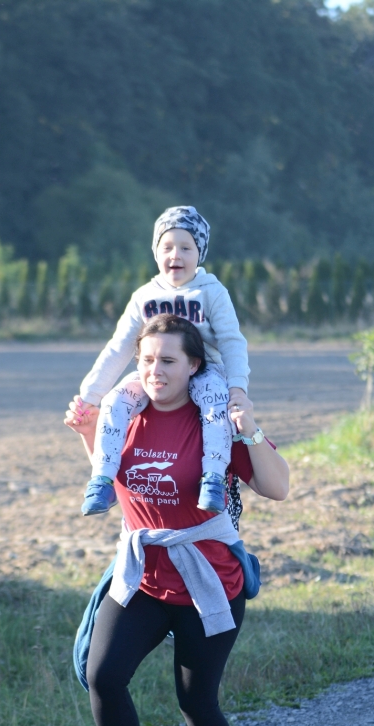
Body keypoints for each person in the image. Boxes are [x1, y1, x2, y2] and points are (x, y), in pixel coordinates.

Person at [64, 313, 288, 726]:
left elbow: (278, 488)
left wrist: (251, 430)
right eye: (146, 360)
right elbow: (117, 478)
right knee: (103, 676)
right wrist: (87, 432)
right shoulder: (124, 412)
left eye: (168, 360)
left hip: (209, 583)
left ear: (193, 366)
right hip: (143, 576)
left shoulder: (215, 422)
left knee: (196, 700)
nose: (154, 370)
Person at [72, 205, 252, 518]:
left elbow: (231, 341)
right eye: (167, 247)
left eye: (186, 248)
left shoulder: (212, 292)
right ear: (155, 252)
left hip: (204, 370)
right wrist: (90, 395)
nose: (175, 255)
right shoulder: (144, 296)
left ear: (200, 253)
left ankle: (212, 478)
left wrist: (237, 387)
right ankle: (102, 479)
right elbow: (120, 346)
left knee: (215, 404)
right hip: (154, 370)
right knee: (115, 401)